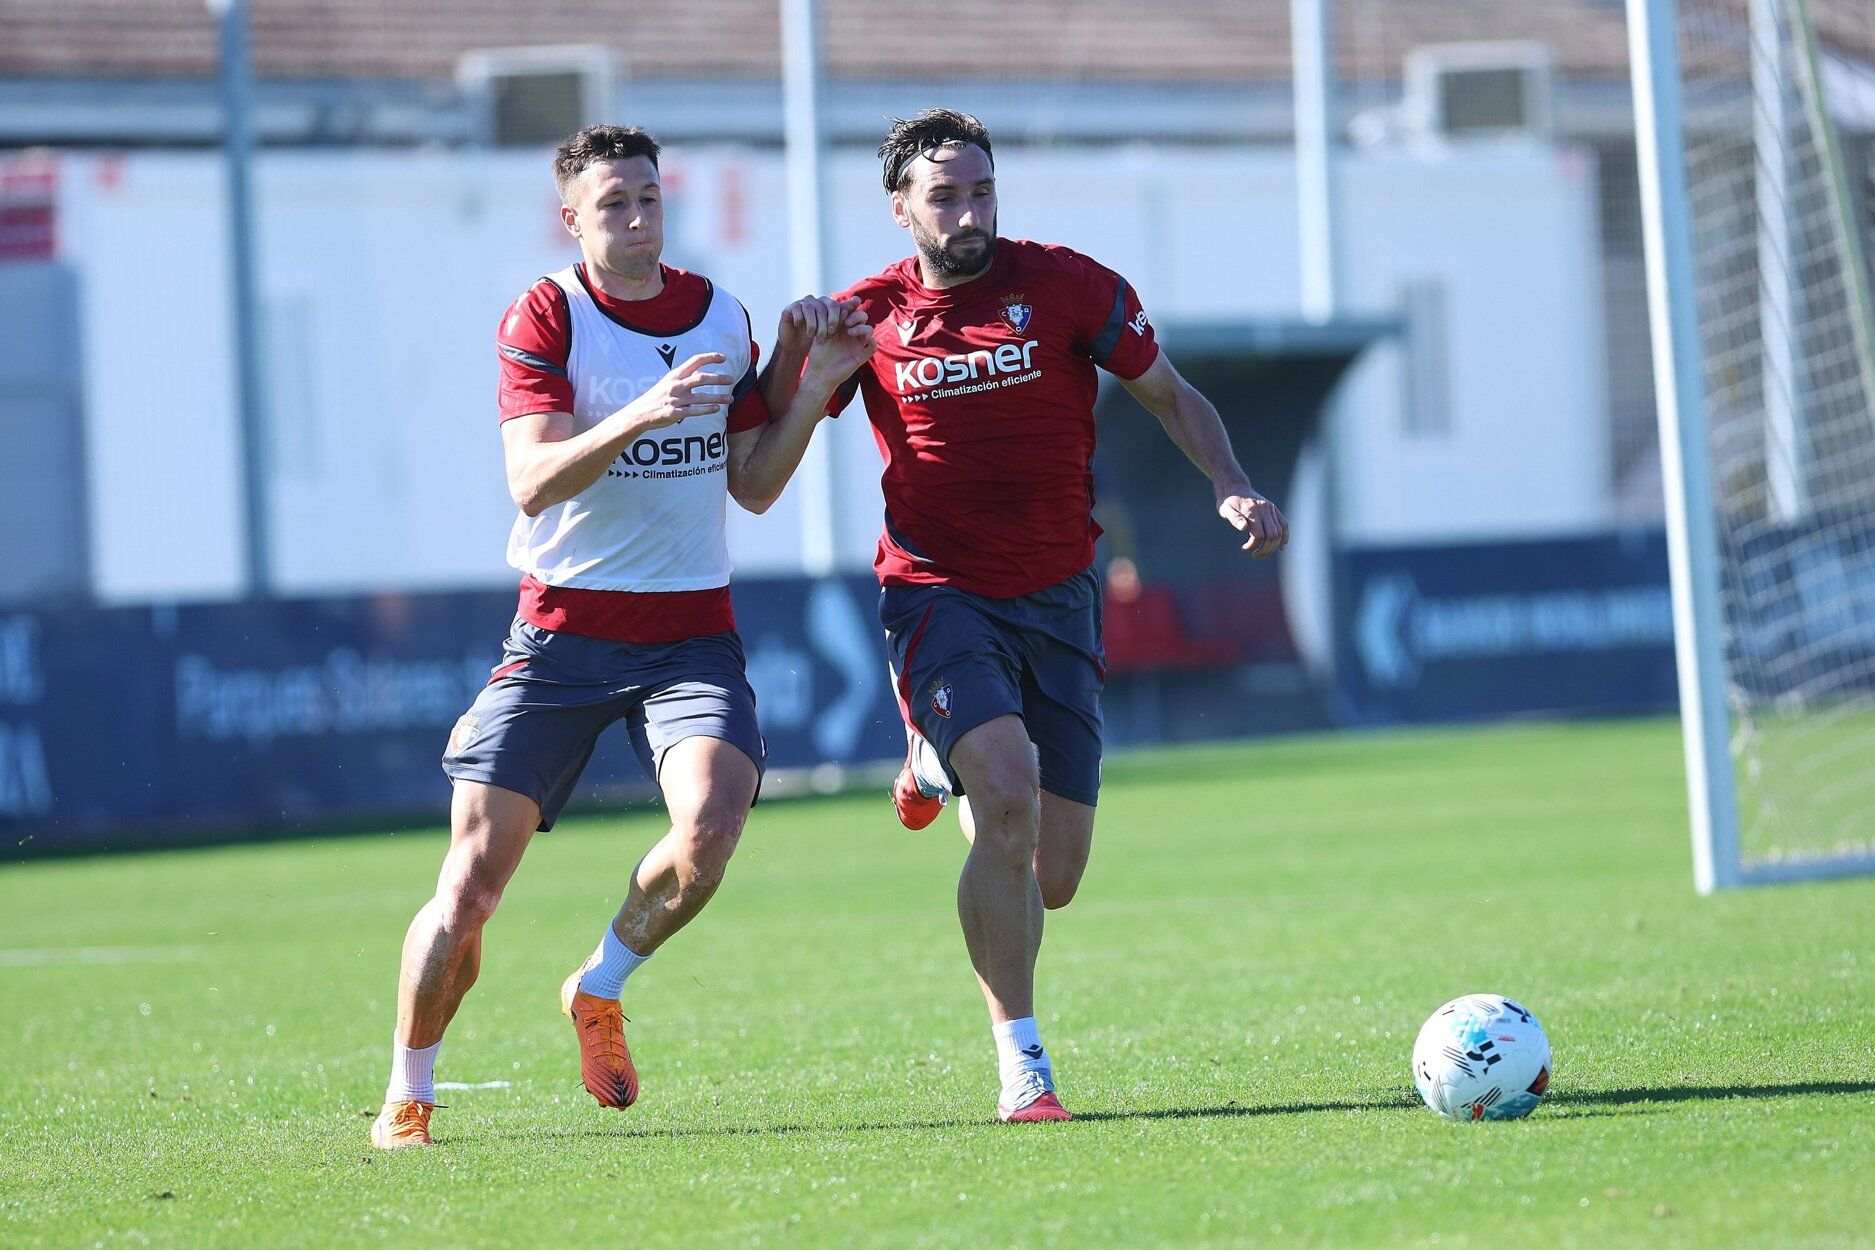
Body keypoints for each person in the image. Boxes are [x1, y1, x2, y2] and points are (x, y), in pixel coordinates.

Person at [370, 123, 873, 1149]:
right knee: (467, 888)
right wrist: (642, 410)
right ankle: (408, 1094)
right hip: (559, 636)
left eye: (648, 196)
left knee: (709, 834)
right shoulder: (546, 315)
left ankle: (598, 985)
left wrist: (812, 387)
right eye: (614, 203)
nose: (638, 217)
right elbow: (531, 478)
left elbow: (754, 485)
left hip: (691, 637)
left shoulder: (719, 316)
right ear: (573, 219)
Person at [783, 109, 1288, 1123]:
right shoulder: (865, 315)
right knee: (1006, 798)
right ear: (900, 208)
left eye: (981, 192)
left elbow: (1169, 393)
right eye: (943, 195)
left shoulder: (1068, 284)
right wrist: (791, 365)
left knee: (1050, 874)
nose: (967, 213)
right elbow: (762, 452)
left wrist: (1231, 481)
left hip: (1058, 594)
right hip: (934, 593)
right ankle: (1023, 1061)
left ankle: (935, 757)